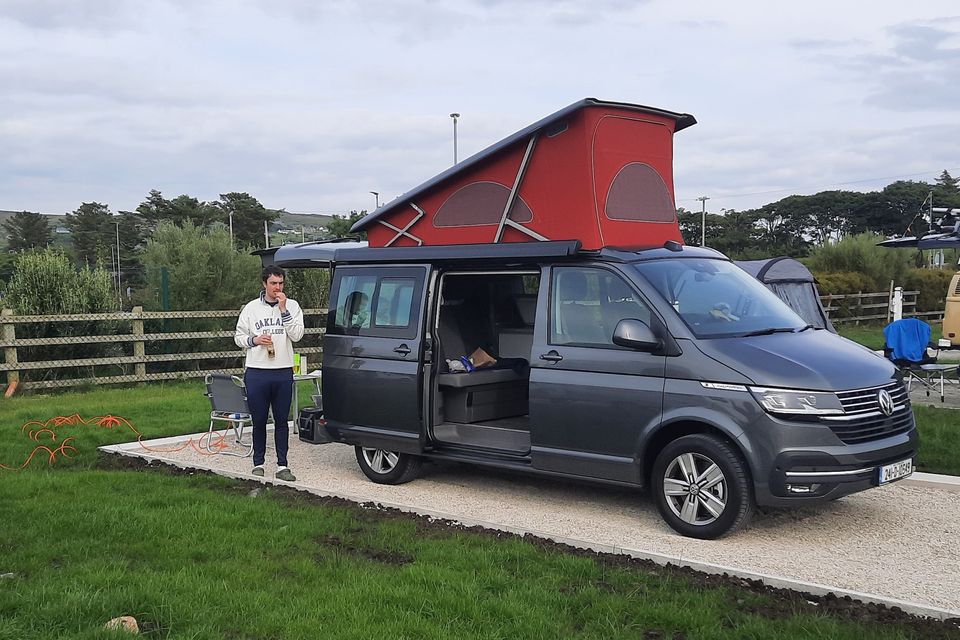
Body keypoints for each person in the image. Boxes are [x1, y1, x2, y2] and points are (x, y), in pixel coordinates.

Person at [234, 266, 304, 481]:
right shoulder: (251, 308)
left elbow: (297, 335)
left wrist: (284, 311)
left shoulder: (292, 306)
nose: (278, 288)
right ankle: (259, 462)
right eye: (273, 283)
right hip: (257, 372)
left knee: (282, 420)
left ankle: (282, 465)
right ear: (264, 284)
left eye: (281, 283)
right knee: (259, 420)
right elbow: (238, 337)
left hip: (282, 371)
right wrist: (254, 341)